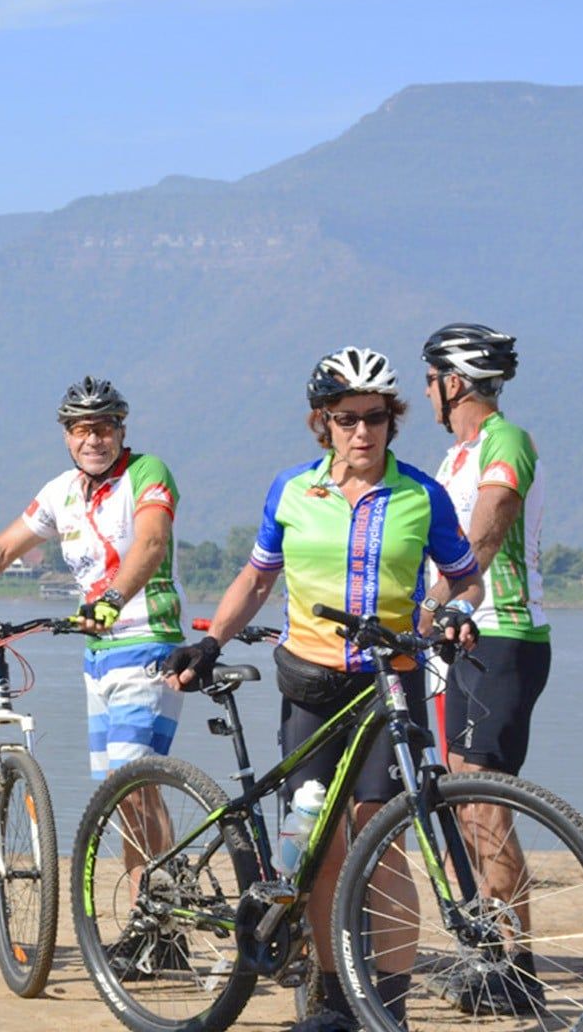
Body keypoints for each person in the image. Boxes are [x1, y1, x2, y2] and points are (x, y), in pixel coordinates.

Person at [161, 347, 483, 1032]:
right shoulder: (291, 491)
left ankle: (386, 1010)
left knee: (384, 837)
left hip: (390, 685)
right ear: (323, 423)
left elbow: (463, 573)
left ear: (393, 421)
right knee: (320, 843)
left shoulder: (421, 495)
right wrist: (211, 640)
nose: (361, 432)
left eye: (374, 418)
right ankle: (334, 1004)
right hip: (309, 684)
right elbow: (256, 579)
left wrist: (451, 612)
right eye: (345, 419)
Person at [0, 376, 187, 782]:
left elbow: (152, 541)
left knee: (133, 783)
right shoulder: (60, 491)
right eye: (82, 430)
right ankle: (145, 851)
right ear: (67, 436)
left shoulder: (146, 471)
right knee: (114, 797)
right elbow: (0, 552)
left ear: (121, 430)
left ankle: (163, 850)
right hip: (97, 654)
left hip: (147, 644)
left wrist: (112, 601)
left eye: (103, 428)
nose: (93, 440)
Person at [421, 322, 549, 1014]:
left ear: (455, 383)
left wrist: (445, 594)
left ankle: (518, 969)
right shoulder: (450, 459)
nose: (426, 391)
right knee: (457, 802)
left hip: (498, 637)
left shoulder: (506, 440)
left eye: (431, 378)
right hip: (452, 644)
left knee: (486, 806)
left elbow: (491, 523)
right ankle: (485, 955)